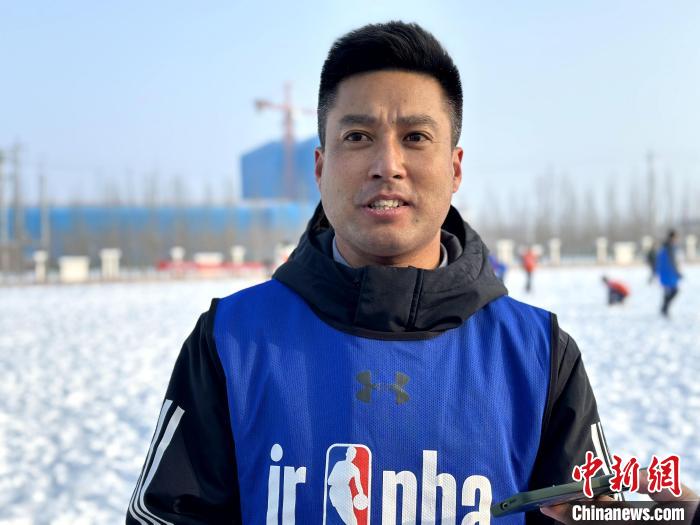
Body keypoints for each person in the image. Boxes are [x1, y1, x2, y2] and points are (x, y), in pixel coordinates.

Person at [127, 22, 620, 525]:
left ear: (455, 168)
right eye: (358, 136)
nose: (388, 164)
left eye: (415, 137)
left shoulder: (539, 354)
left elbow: (591, 513)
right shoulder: (231, 340)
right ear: (320, 167)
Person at [656, 230, 682, 317]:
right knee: (674, 291)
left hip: (665, 273)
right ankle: (665, 309)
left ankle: (664, 309)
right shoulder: (670, 247)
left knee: (668, 292)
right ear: (672, 237)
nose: (676, 239)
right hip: (669, 274)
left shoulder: (664, 247)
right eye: (675, 237)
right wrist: (677, 272)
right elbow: (673, 261)